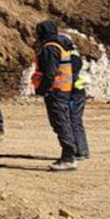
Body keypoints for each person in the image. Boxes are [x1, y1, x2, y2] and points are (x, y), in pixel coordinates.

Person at [32, 20, 79, 171]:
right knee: (62, 121)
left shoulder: (50, 48)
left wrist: (42, 89)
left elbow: (49, 73)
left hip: (55, 90)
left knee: (60, 122)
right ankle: (69, 154)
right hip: (62, 89)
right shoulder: (60, 45)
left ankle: (68, 157)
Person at [64, 34, 90, 161]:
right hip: (76, 91)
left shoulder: (72, 58)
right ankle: (80, 150)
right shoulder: (73, 56)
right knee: (74, 121)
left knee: (74, 121)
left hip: (75, 93)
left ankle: (81, 150)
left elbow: (70, 75)